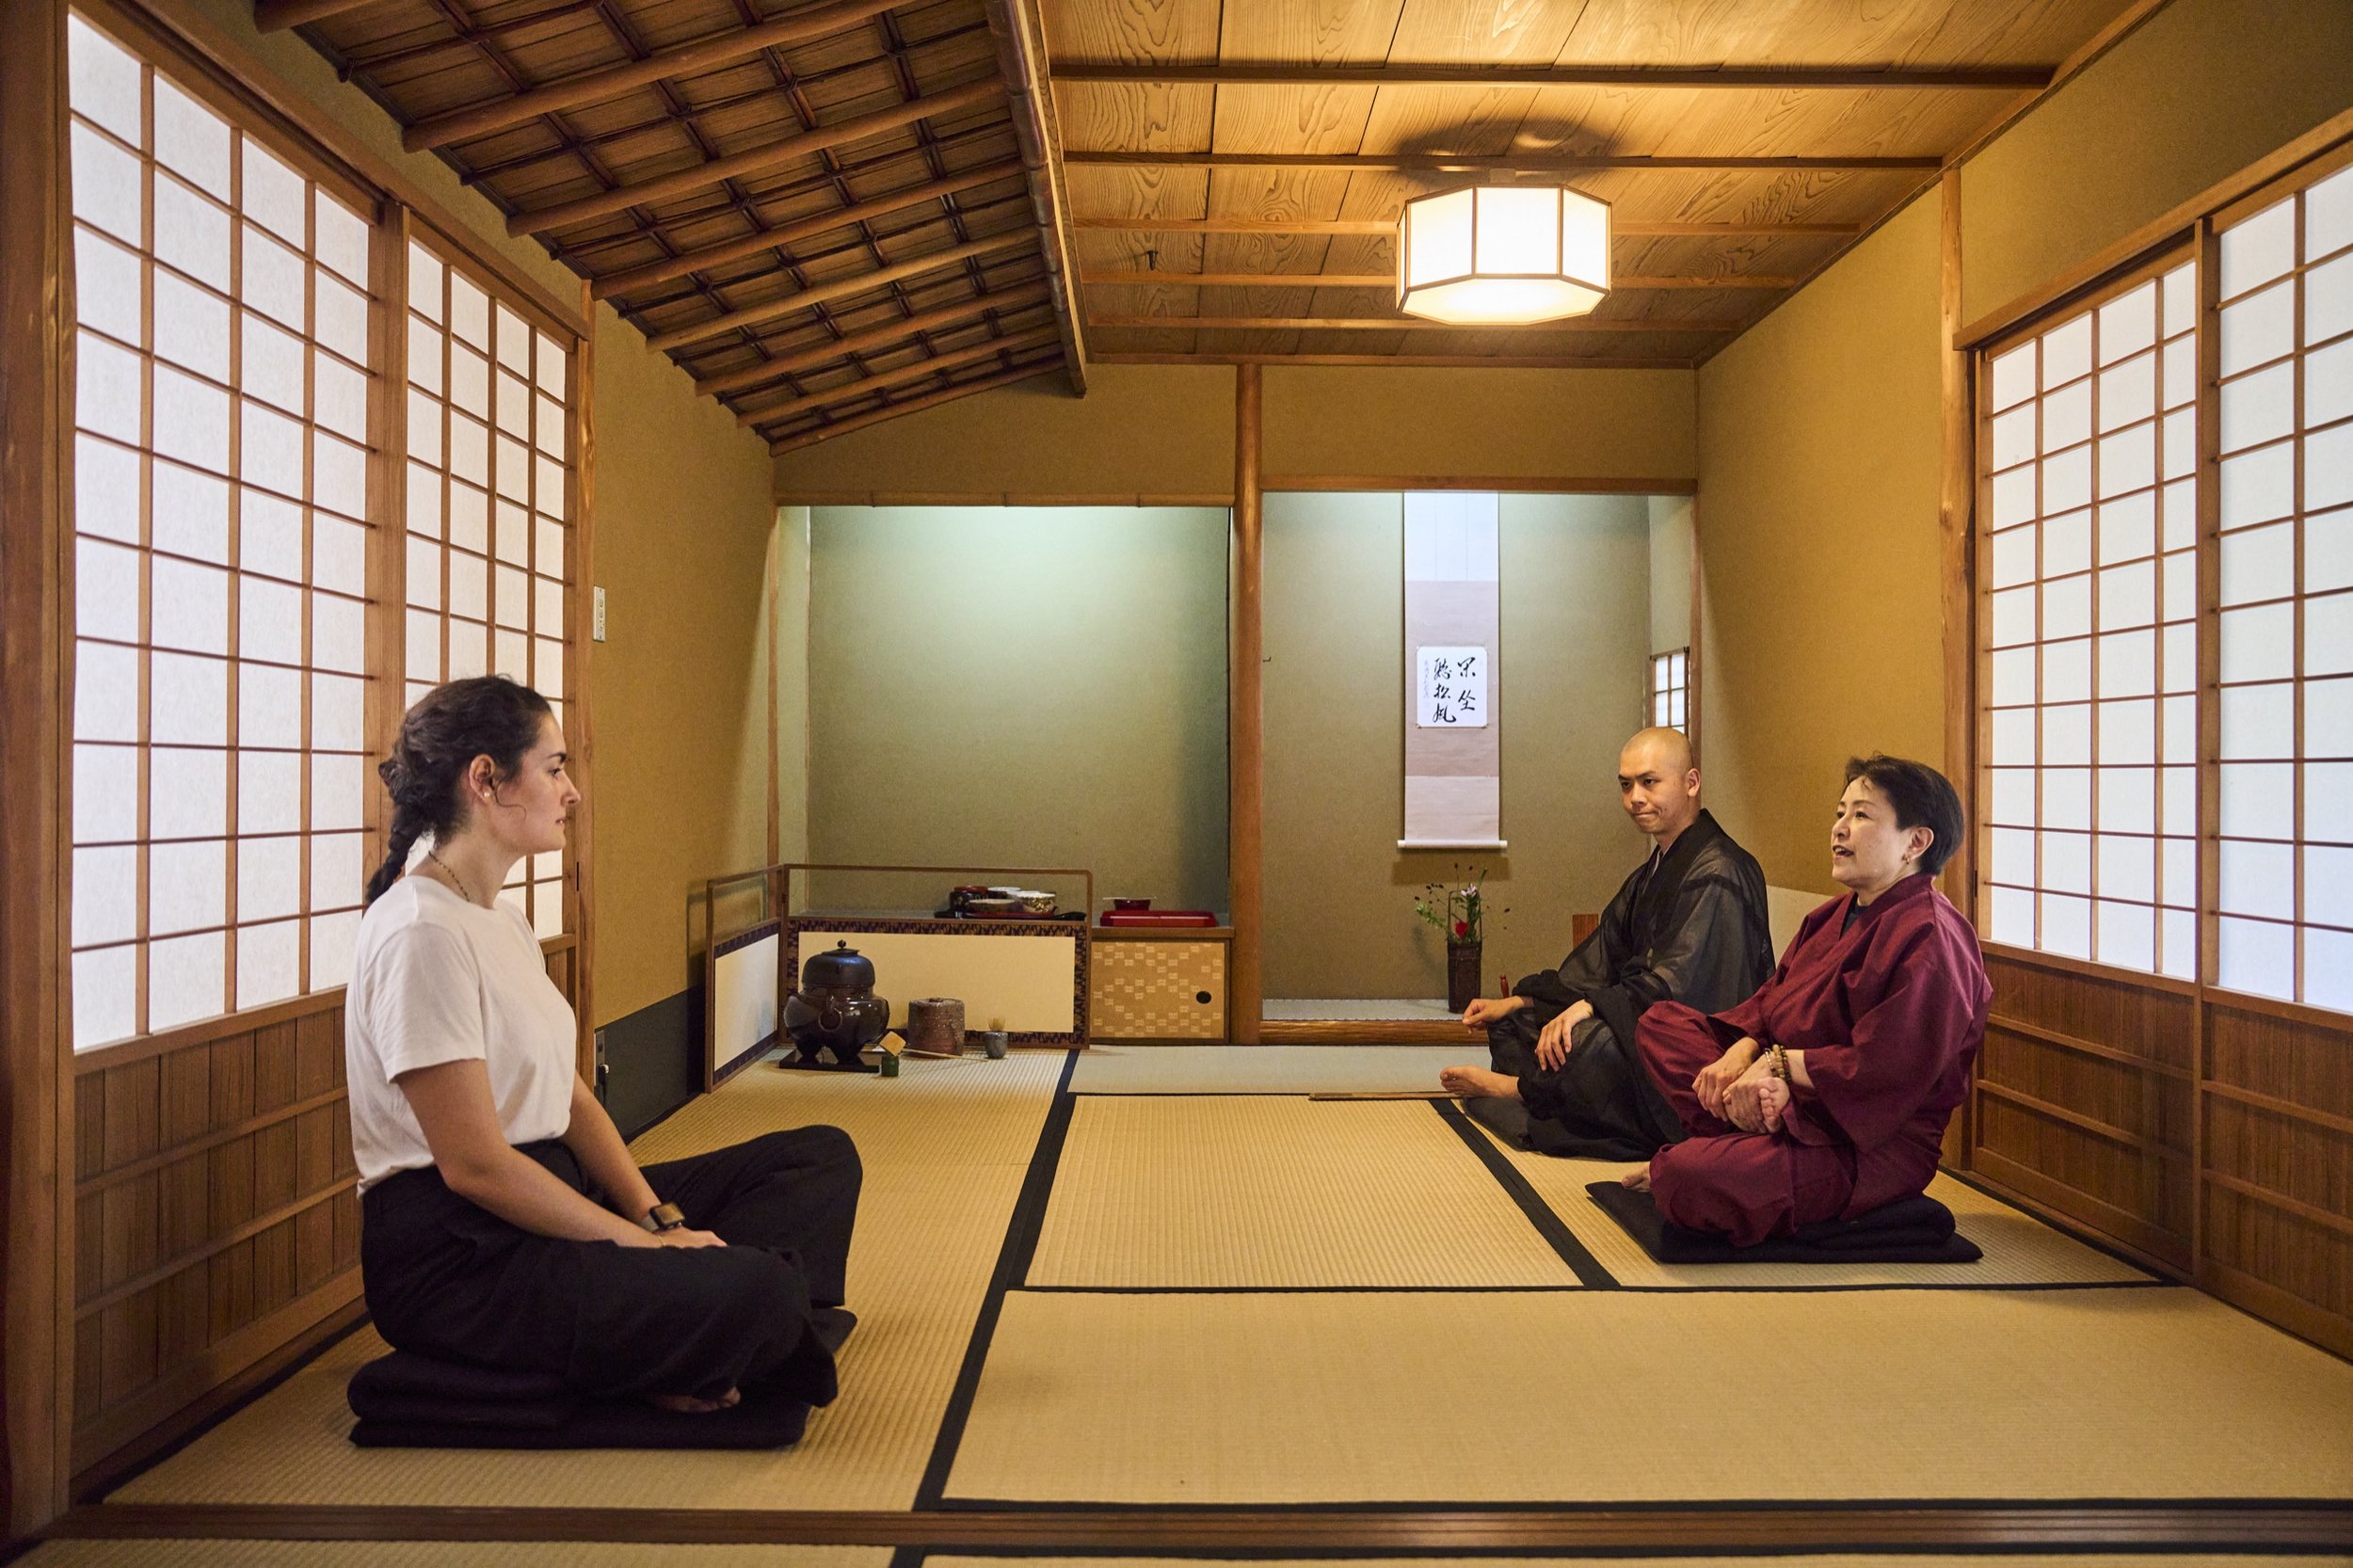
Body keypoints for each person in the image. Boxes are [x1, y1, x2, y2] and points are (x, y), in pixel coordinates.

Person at [347, 676, 860, 1414]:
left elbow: (568, 1094)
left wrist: (658, 1218)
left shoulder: (499, 918)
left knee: (818, 1158)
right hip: (464, 1262)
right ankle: (684, 1343)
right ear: (486, 780)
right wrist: (647, 1252)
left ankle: (691, 1343)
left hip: (549, 1200)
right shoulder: (420, 932)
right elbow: (476, 1168)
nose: (573, 791)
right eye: (554, 768)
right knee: (761, 1289)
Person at [1625, 753, 1991, 1246]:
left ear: (1916, 842)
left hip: (1863, 1144)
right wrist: (1747, 1051)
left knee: (1680, 1178)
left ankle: (1735, 1149)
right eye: (1840, 812)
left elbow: (1885, 1070)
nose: (1840, 828)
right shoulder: (1831, 916)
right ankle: (1749, 1129)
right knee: (1661, 1024)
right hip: (1792, 1095)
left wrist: (1780, 1069)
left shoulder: (1931, 938)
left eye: (1861, 815)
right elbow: (1770, 1003)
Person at [1439, 728, 1774, 1160]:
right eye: (1625, 784)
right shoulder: (1656, 866)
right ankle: (1541, 1087)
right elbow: (1605, 954)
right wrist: (1521, 1002)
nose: (1635, 797)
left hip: (1688, 1041)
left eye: (1649, 782)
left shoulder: (1720, 870)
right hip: (1637, 1010)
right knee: (1523, 1026)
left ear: (1691, 783)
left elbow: (1679, 985)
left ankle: (1518, 1090)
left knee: (1587, 1041)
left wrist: (1593, 1007)